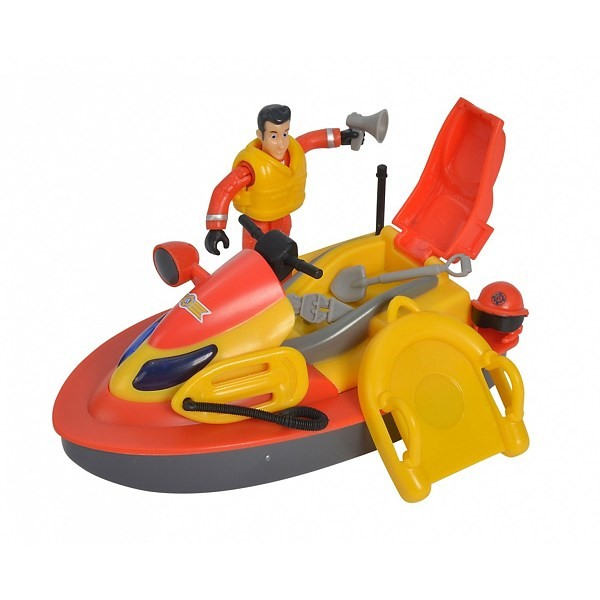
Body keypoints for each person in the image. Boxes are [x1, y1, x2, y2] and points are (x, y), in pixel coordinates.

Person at [204, 104, 360, 254]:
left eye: (285, 134)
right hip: (258, 222)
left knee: (283, 251)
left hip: (282, 216)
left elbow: (311, 140)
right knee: (254, 255)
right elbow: (223, 191)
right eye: (273, 136)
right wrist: (216, 228)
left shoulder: (292, 152)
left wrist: (341, 137)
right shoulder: (252, 167)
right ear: (260, 135)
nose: (281, 144)